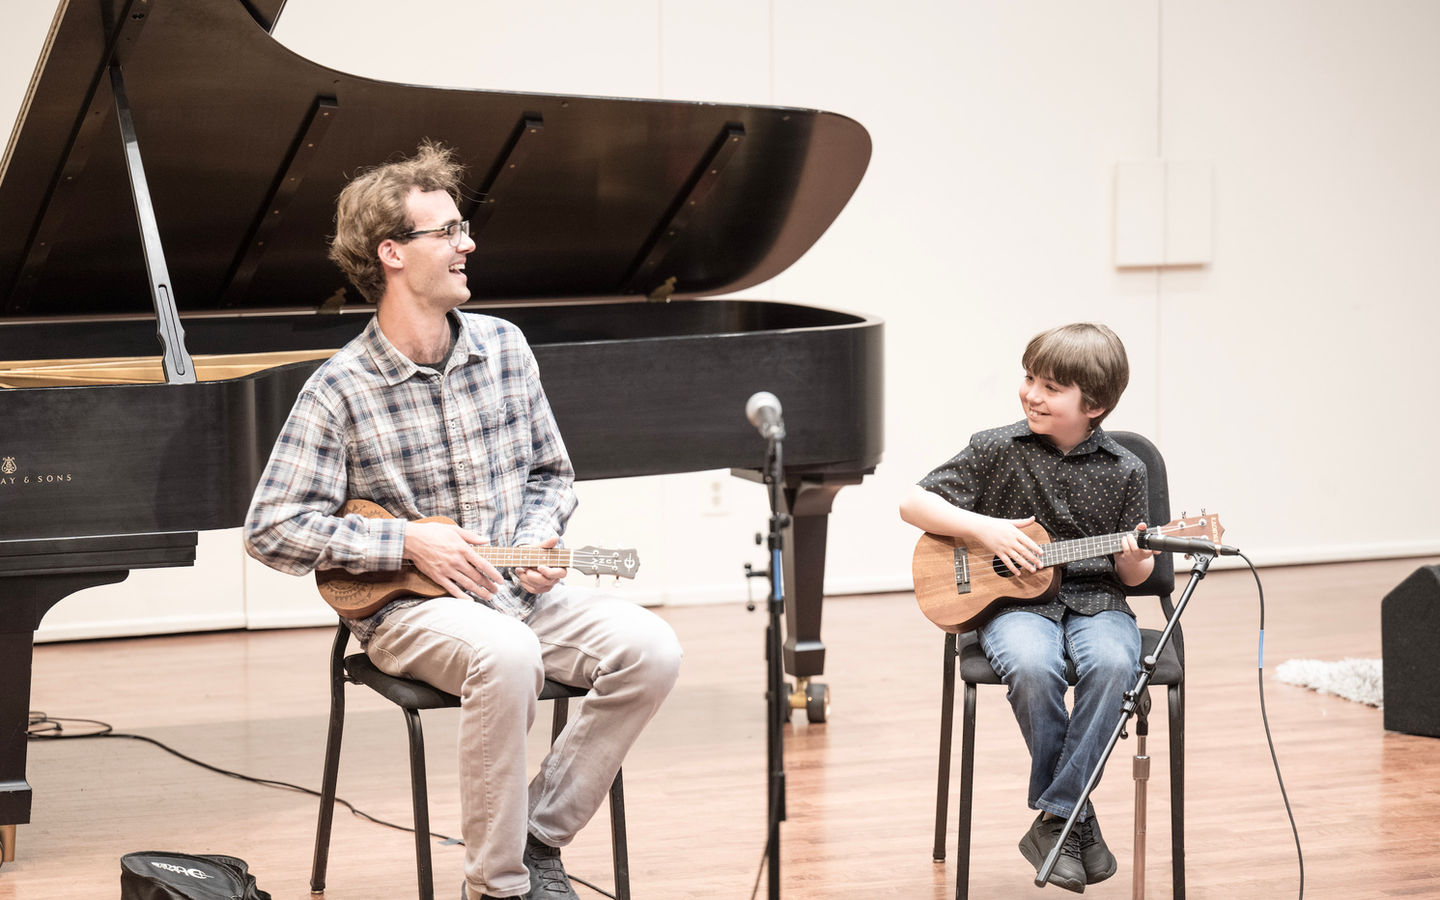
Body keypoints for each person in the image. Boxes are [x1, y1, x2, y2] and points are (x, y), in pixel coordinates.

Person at [244, 141, 683, 900]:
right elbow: (272, 529)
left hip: (517, 595)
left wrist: (541, 539)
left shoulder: (507, 348)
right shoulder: (338, 389)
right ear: (391, 253)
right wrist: (406, 538)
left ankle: (538, 837)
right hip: (412, 612)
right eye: (445, 231)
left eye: (462, 229)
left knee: (652, 648)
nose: (466, 243)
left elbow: (551, 473)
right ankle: (499, 886)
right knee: (508, 654)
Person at [898, 322, 1156, 894]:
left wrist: (1137, 555)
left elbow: (1135, 575)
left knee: (1116, 665)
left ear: (1096, 405)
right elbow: (912, 502)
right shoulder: (996, 448)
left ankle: (1057, 816)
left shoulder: (1125, 470)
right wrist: (986, 530)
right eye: (1029, 378)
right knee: (1034, 667)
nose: (1032, 394)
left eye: (1051, 387)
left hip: (1097, 601)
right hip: (1014, 606)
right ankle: (1074, 820)